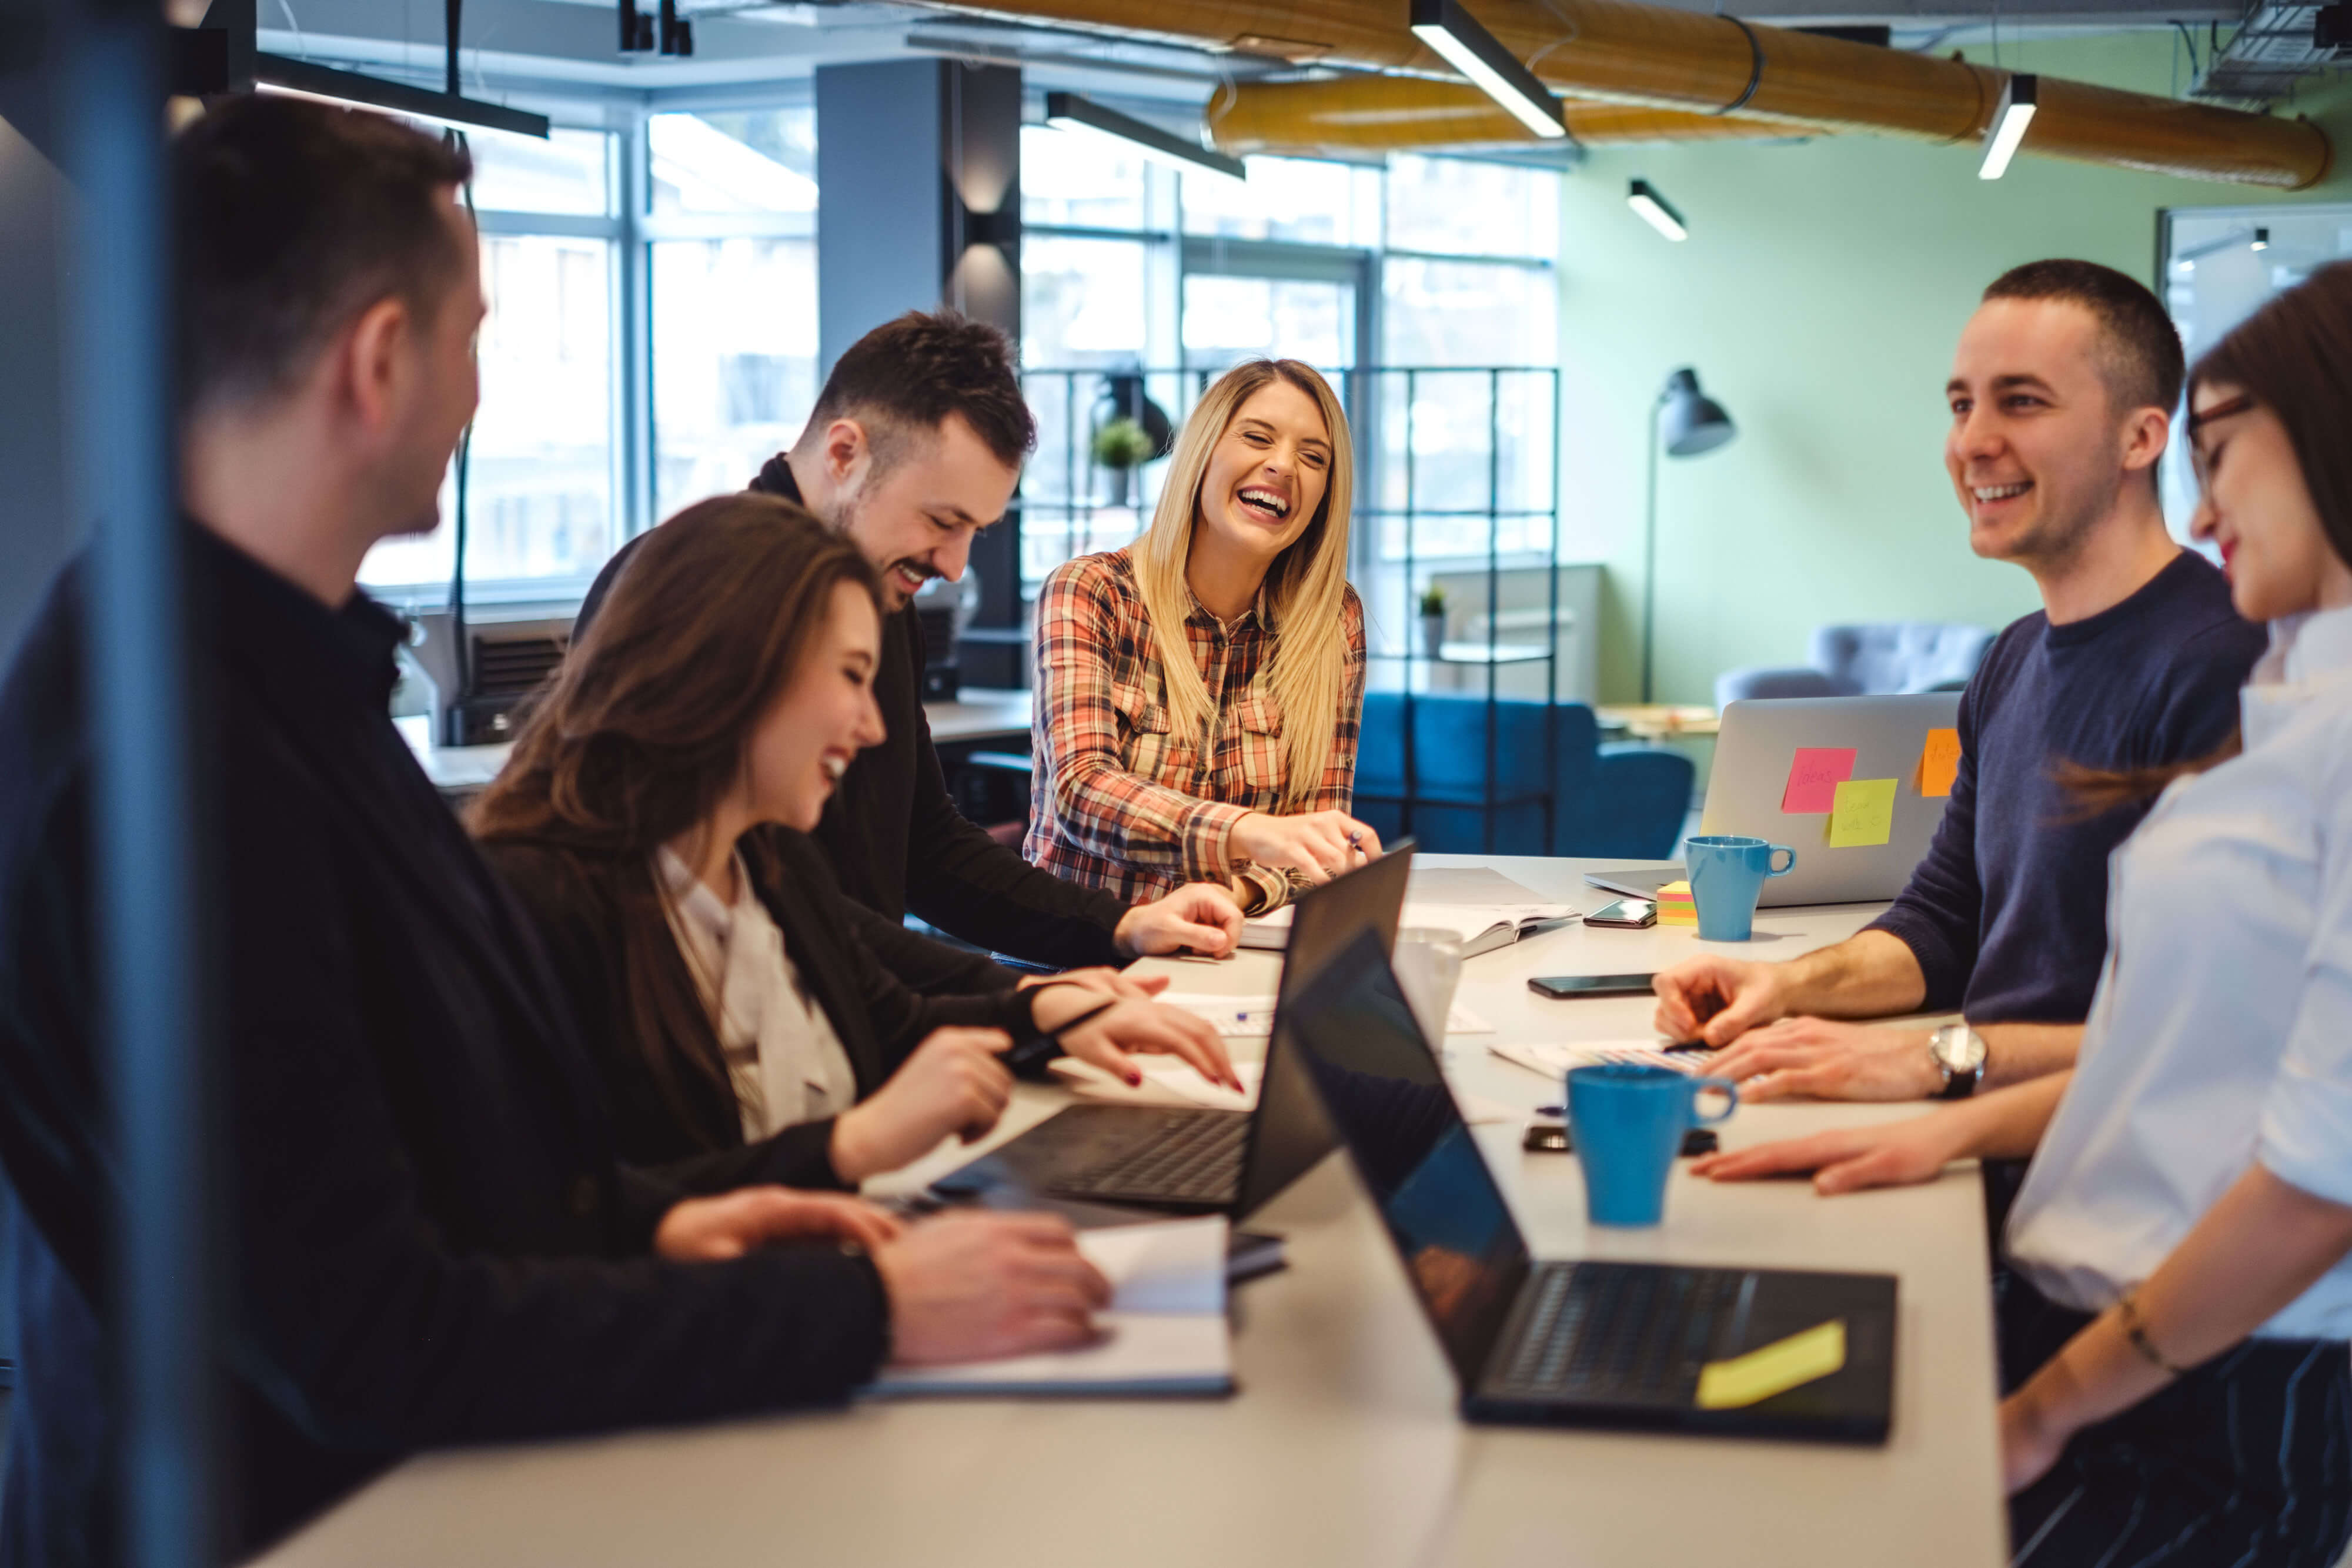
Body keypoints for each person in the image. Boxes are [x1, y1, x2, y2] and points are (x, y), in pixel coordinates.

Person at [0, 98, 1110, 1565]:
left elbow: (476, 1190)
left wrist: (696, 1220)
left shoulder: (279, 671)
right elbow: (372, 1331)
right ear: (379, 358)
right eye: (473, 335)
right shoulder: (167, 748)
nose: (479, 389)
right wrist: (869, 1310)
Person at [1694, 262, 2352, 1567]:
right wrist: (1904, 1089)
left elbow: (2301, 1154)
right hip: (2072, 1270)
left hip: (2211, 1353)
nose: (2210, 511)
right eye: (1957, 401)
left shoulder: (2243, 668)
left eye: (2225, 457)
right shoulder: (2128, 664)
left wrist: (1942, 1074)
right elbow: (2099, 996)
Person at [475, 493, 1240, 1176]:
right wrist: (850, 1146)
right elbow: (575, 1216)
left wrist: (1046, 1010)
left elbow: (891, 1017)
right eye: (849, 676)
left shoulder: (767, 864)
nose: (872, 725)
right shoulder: (536, 907)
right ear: (731, 668)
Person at [1652, 260, 2266, 1102]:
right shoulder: (2012, 659)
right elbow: (1943, 920)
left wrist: (1930, 1058)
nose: (1972, 441)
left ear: (2141, 437)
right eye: (1961, 403)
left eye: (2022, 401)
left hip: (2096, 1166)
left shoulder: (2223, 661)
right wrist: (1785, 986)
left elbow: (2210, 1031)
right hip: (1978, 1112)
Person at [573, 313, 1242, 997]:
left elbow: (927, 848)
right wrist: (1017, 1004)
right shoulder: (684, 592)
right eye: (942, 521)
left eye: (973, 532)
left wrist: (1121, 926)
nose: (953, 567)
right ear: (844, 455)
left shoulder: (879, 597)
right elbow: (764, 911)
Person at [1027, 359, 1377, 915]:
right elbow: (1082, 792)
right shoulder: (1093, 592)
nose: (1284, 466)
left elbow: (1319, 845)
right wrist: (1250, 833)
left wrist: (1233, 894)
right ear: (1202, 453)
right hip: (1078, 961)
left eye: (1314, 458)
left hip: (1228, 956)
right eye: (1257, 437)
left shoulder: (1334, 621)